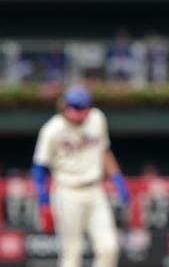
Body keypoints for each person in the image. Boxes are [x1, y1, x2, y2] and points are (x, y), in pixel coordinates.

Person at [31, 85, 130, 267]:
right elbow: (39, 167)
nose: (81, 112)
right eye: (76, 107)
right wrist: (43, 202)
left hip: (95, 189)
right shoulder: (52, 129)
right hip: (67, 191)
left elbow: (105, 151)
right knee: (72, 253)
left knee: (109, 247)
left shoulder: (97, 119)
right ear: (65, 107)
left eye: (84, 107)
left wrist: (118, 180)